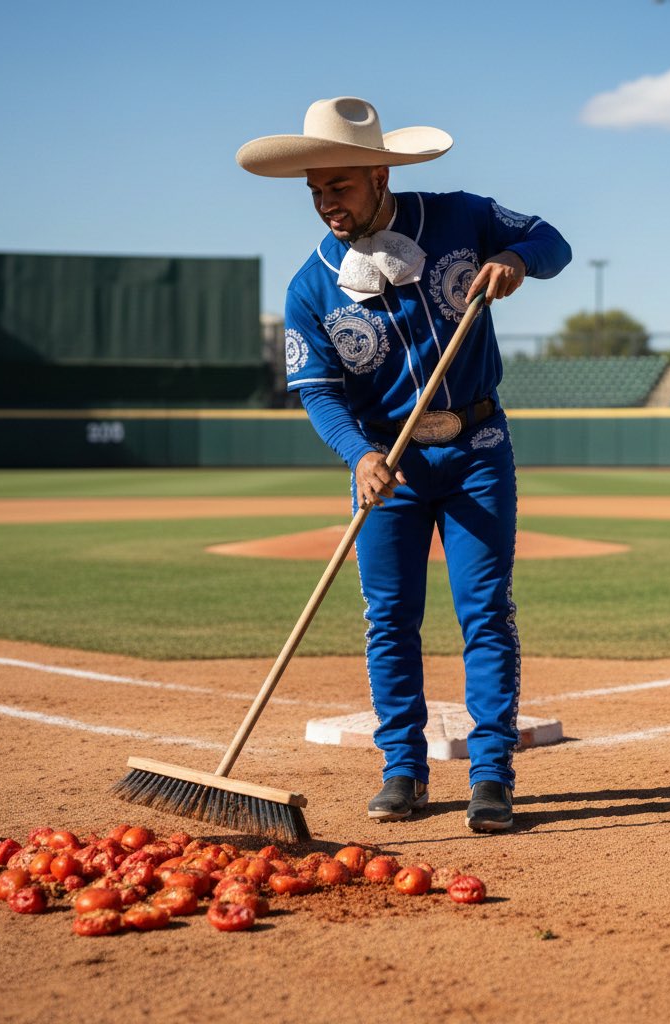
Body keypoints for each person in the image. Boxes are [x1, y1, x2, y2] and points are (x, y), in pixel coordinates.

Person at [236, 97, 571, 831]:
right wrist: (357, 455)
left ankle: (491, 776)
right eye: (316, 191)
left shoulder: (460, 215)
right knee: (388, 619)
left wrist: (515, 259)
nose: (328, 204)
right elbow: (320, 393)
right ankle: (402, 771)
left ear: (380, 173)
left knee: (484, 612)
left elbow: (553, 241)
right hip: (388, 463)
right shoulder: (309, 286)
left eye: (342, 187)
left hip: (478, 450)